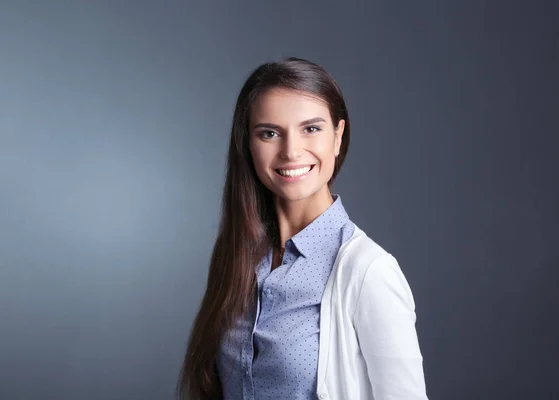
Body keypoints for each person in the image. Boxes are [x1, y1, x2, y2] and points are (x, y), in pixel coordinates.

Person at [177, 57, 428, 399]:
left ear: (338, 137)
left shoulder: (369, 272)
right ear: (249, 145)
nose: (291, 151)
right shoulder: (237, 258)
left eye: (311, 128)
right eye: (269, 133)